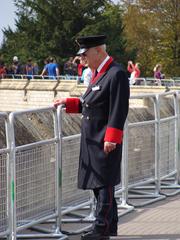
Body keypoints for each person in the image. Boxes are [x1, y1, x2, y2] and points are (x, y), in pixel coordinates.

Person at [54, 35, 129, 240]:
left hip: (104, 138)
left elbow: (118, 109)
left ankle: (101, 229)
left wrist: (112, 137)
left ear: (98, 51)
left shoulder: (116, 73)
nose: (82, 59)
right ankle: (107, 226)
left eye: (85, 54)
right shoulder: (99, 73)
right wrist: (68, 103)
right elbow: (91, 103)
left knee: (104, 183)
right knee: (99, 183)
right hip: (93, 138)